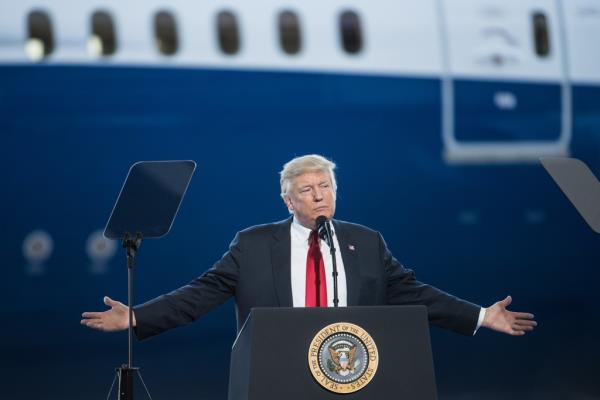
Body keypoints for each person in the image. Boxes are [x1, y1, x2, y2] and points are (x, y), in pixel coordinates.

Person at [81, 154, 536, 339]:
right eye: (307, 189)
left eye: (326, 186)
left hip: (353, 372)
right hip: (278, 375)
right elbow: (201, 295)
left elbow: (416, 294)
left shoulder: (366, 243)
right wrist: (137, 315)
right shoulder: (254, 245)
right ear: (288, 200)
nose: (319, 195)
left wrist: (481, 315)